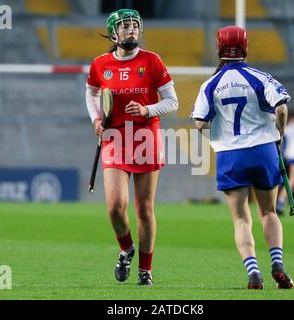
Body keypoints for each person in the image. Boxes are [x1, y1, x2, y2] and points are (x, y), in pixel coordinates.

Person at [191, 26, 293, 289]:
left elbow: (200, 124)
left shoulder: (210, 83)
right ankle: (277, 263)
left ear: (219, 47)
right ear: (245, 46)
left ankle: (253, 271)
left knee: (241, 218)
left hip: (229, 155)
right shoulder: (261, 77)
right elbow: (281, 108)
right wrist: (279, 134)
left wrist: (220, 133)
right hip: (263, 151)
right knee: (269, 211)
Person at [85, 9, 178, 286]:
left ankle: (145, 270)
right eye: (125, 26)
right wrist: (96, 119)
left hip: (146, 138)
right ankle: (126, 248)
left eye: (135, 26)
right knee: (115, 206)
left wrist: (148, 109)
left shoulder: (152, 61)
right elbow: (91, 93)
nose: (131, 31)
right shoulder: (100, 64)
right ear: (114, 33)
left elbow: (172, 101)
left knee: (144, 209)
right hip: (115, 137)